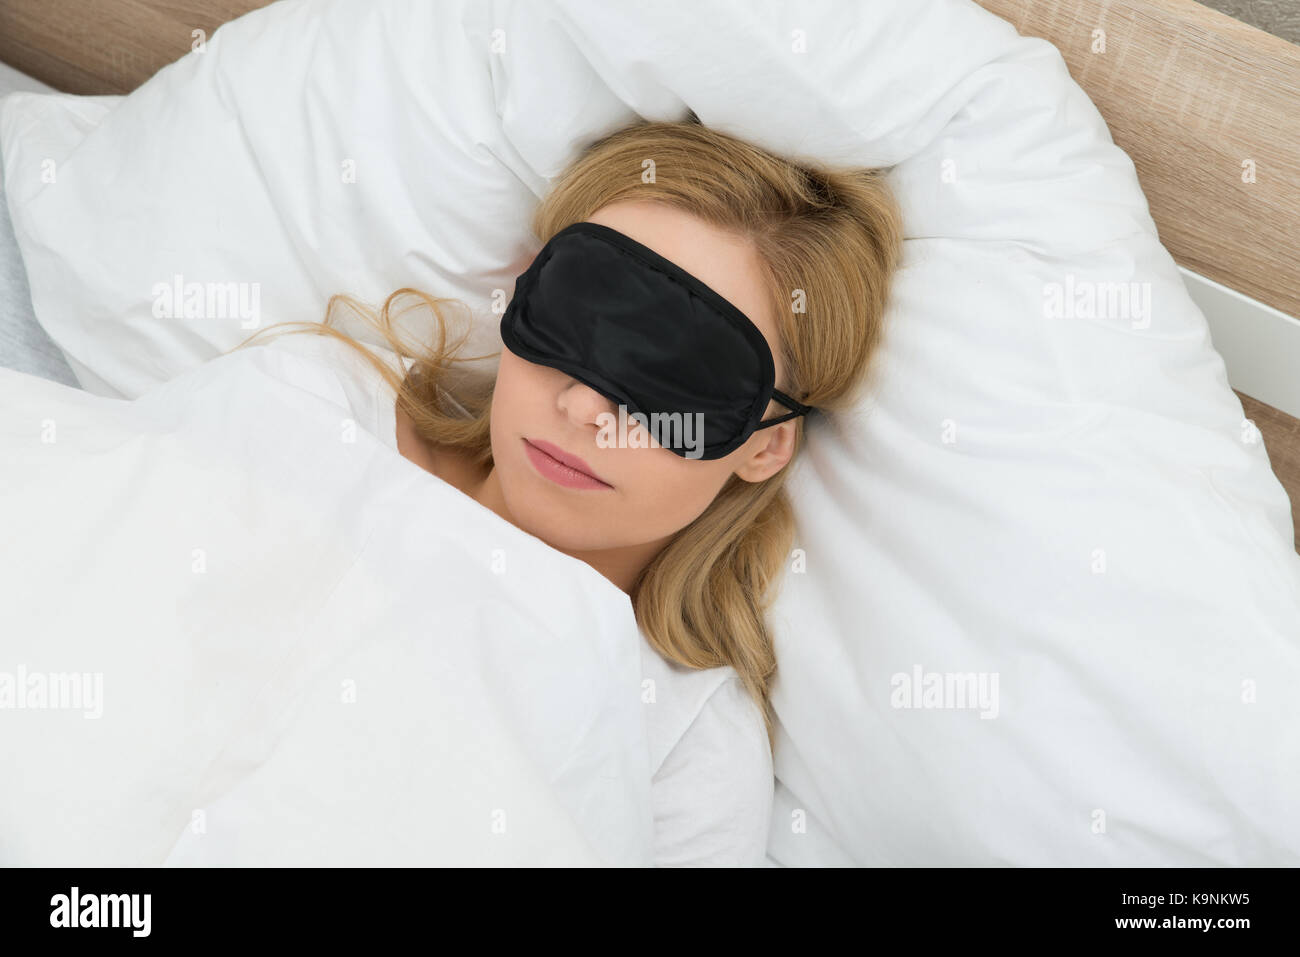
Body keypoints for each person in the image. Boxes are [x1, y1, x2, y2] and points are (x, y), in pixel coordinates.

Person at [234, 117, 903, 864]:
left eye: (675, 379)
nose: (586, 409)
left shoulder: (686, 752)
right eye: (577, 316)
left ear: (764, 444)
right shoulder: (316, 410)